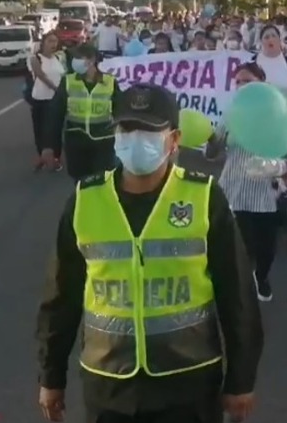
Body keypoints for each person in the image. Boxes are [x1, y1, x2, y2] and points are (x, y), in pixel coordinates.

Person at [36, 83, 264, 423]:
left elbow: (238, 295)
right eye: (126, 128)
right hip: (109, 385)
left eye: (147, 130)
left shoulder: (203, 198)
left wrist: (241, 380)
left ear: (173, 140)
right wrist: (50, 377)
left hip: (189, 383)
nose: (134, 138)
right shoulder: (85, 199)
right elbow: (61, 296)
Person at [206, 63, 287, 302]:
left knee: (266, 249)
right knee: (239, 247)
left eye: (246, 80)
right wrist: (211, 140)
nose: (240, 86)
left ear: (262, 84)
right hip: (233, 191)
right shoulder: (230, 116)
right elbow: (211, 154)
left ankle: (262, 276)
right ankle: (241, 291)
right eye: (237, 81)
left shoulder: (278, 113)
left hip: (266, 194)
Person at [41, 44, 121, 181]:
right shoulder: (68, 81)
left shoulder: (110, 82)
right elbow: (54, 116)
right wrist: (50, 147)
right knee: (80, 182)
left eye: (79, 57)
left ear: (91, 60)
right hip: (76, 143)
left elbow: (121, 114)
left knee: (102, 181)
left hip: (103, 143)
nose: (74, 61)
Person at [29, 32, 66, 172]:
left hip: (56, 101)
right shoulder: (35, 58)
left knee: (55, 130)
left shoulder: (58, 58)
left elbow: (64, 76)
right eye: (50, 41)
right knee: (40, 130)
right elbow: (40, 75)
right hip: (40, 99)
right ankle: (43, 157)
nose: (53, 44)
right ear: (43, 43)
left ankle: (55, 158)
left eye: (55, 41)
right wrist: (56, 89)